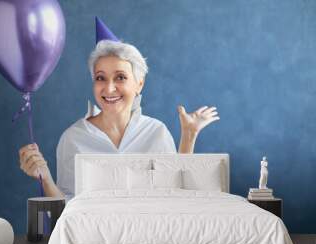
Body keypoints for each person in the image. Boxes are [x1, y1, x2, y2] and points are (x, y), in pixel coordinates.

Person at [19, 18, 220, 200]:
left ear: (139, 83)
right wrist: (45, 178)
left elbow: (176, 197)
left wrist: (189, 135)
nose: (109, 88)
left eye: (120, 77)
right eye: (100, 78)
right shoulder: (72, 139)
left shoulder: (157, 133)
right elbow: (66, 212)